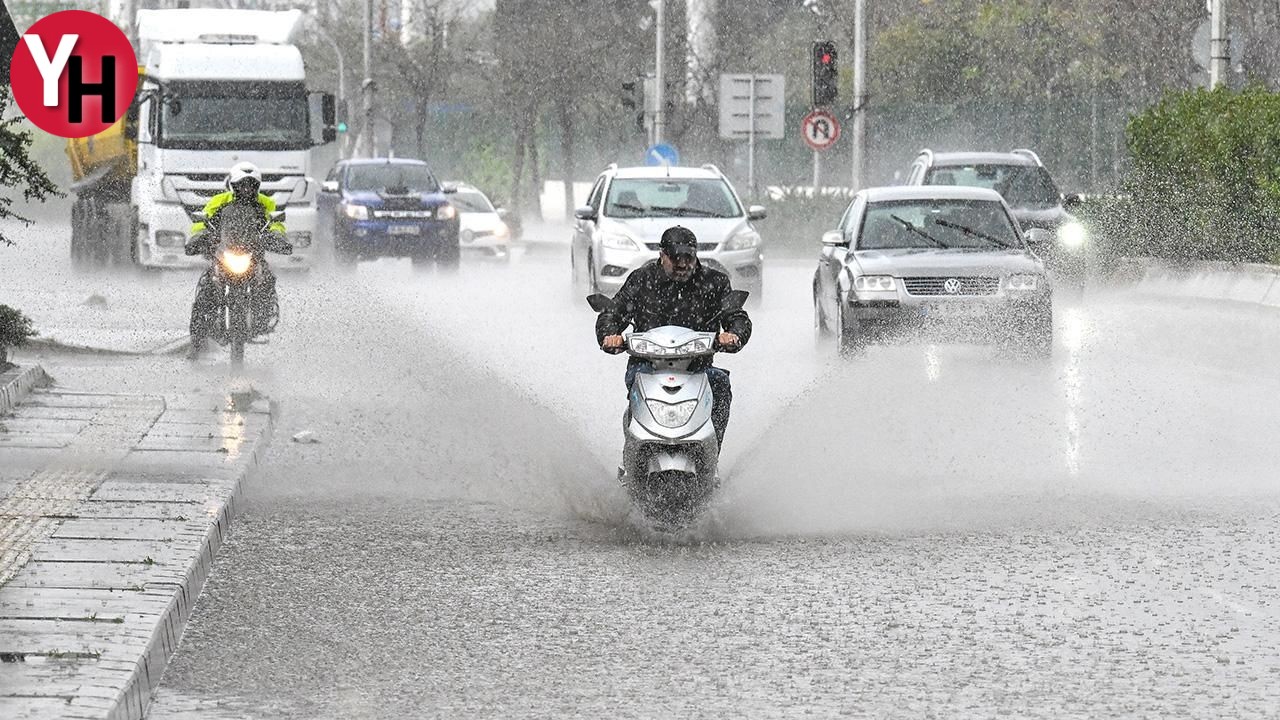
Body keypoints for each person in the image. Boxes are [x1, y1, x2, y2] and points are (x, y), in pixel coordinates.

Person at [596, 225, 751, 449]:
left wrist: (735, 334)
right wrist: (610, 335)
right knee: (637, 380)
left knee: (720, 384)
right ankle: (634, 450)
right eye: (675, 258)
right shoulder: (641, 280)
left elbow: (736, 316)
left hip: (698, 369)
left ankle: (712, 450)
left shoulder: (714, 282)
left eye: (688, 258)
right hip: (646, 365)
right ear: (662, 255)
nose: (682, 265)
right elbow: (613, 312)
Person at [185, 162, 291, 359]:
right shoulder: (219, 201)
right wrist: (198, 238)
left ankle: (262, 318)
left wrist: (279, 239)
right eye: (242, 185)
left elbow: (275, 225)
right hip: (224, 254)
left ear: (257, 186)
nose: (246, 189)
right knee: (206, 290)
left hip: (252, 256)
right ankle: (196, 341)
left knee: (267, 280)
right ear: (233, 185)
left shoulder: (266, 204)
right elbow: (202, 222)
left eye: (251, 185)